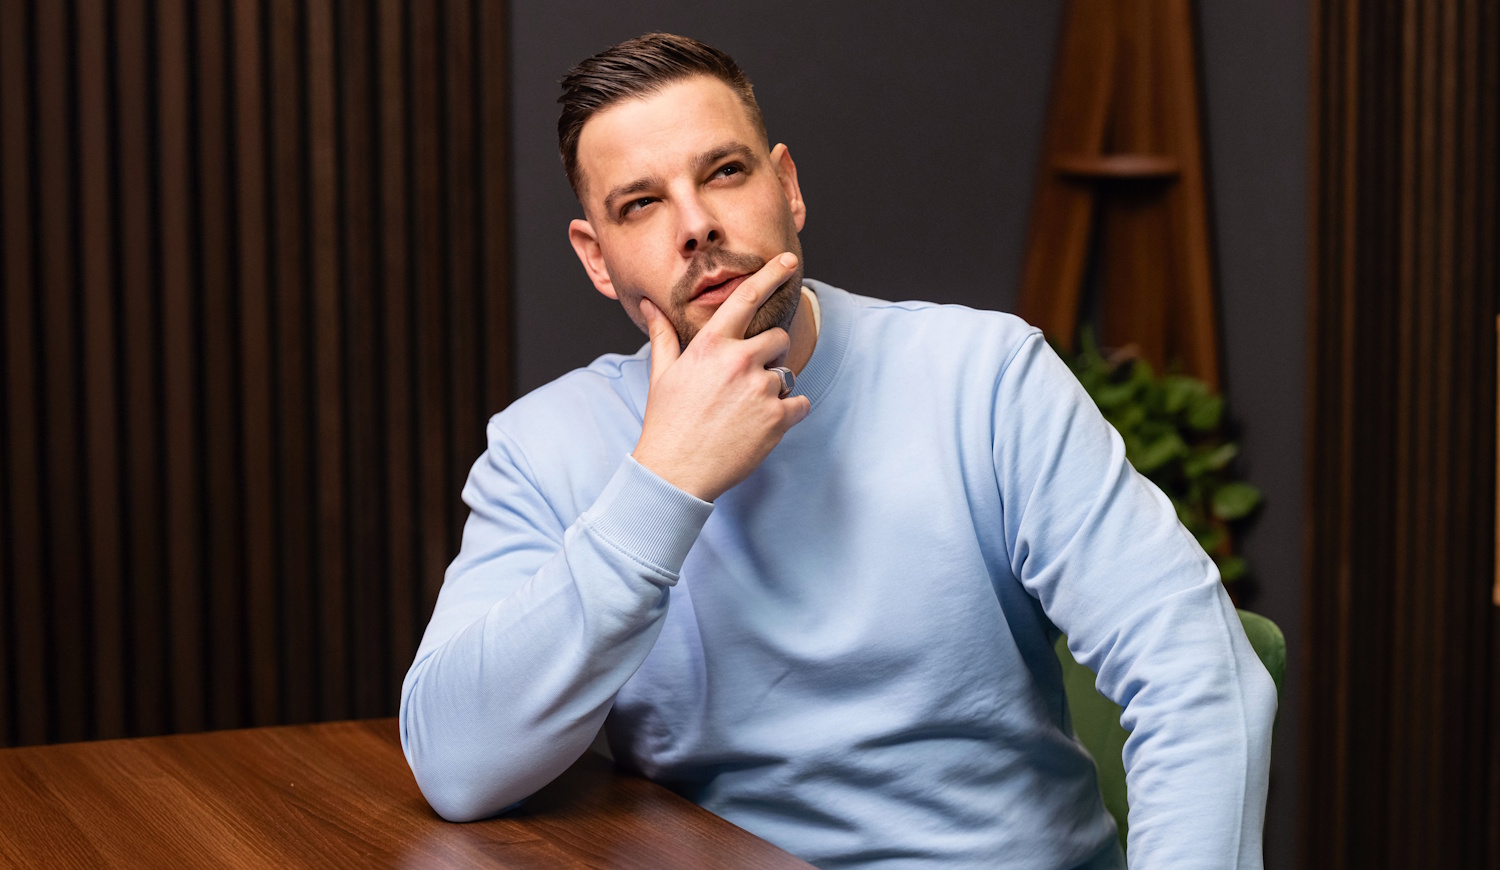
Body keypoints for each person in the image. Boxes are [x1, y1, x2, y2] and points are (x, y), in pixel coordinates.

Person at [399, 32, 1276, 870]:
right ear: (598, 259)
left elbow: (1198, 675)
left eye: (725, 172)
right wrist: (663, 482)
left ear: (787, 187)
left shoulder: (986, 380)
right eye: (642, 203)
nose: (696, 224)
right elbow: (455, 766)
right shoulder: (545, 445)